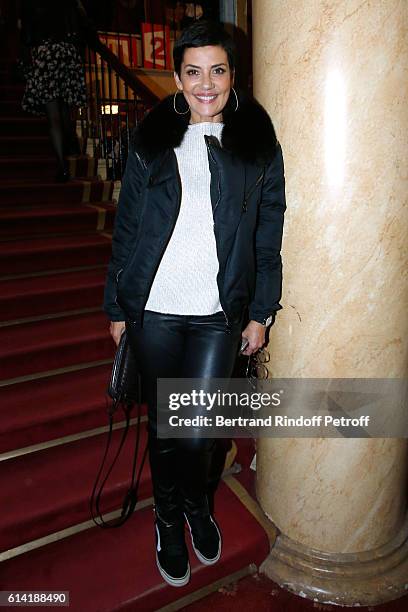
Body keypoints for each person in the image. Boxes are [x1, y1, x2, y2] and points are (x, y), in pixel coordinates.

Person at [103, 20, 286, 588]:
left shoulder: (256, 145)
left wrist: (261, 310)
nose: (205, 83)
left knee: (201, 430)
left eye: (218, 69)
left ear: (233, 74)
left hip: (216, 314)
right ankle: (168, 519)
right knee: (165, 428)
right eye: (192, 71)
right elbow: (128, 227)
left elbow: (267, 232)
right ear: (178, 77)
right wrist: (117, 306)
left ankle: (197, 506)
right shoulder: (151, 140)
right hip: (156, 308)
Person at [20, 0, 87, 181]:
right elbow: (78, 21)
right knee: (64, 104)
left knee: (53, 114)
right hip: (67, 52)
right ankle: (71, 143)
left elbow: (27, 33)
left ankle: (62, 165)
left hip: (46, 51)